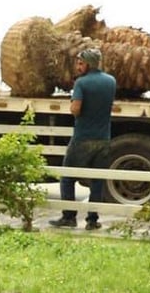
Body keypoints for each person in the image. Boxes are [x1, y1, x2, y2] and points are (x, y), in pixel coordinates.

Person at [49, 48, 116, 230]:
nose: (78, 66)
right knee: (97, 181)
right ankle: (92, 221)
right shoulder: (111, 81)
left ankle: (69, 217)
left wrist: (72, 105)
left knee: (67, 177)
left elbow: (75, 109)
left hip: (83, 138)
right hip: (103, 138)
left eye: (80, 63)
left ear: (89, 64)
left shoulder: (81, 83)